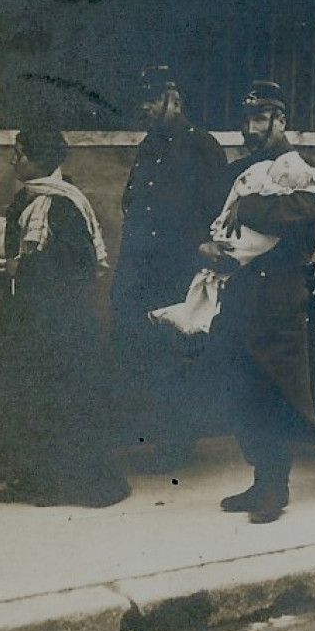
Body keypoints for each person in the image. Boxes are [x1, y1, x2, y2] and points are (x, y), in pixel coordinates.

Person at [0, 125, 130, 509]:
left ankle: (58, 484)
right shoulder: (30, 199)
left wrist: (20, 269)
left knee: (55, 400)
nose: (14, 160)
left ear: (40, 159)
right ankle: (31, 478)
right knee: (25, 396)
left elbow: (79, 266)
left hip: (60, 322)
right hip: (31, 316)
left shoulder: (62, 203)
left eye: (20, 153)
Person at [211, 82, 315, 524]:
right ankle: (260, 478)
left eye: (259, 119)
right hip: (239, 290)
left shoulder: (305, 171)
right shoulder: (238, 172)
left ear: (281, 120)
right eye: (245, 120)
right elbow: (220, 220)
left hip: (280, 292)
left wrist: (247, 207)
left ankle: (275, 487)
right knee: (240, 386)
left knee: (273, 386)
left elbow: (302, 220)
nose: (250, 128)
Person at [109, 67, 228, 472]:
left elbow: (216, 216)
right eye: (141, 100)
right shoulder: (149, 146)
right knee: (141, 349)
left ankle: (177, 444)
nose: (143, 108)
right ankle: (160, 435)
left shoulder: (203, 147)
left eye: (151, 99)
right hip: (142, 267)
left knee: (175, 358)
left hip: (179, 270)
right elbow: (135, 205)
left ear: (173, 99)